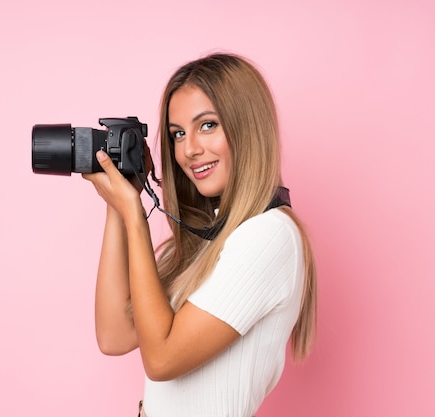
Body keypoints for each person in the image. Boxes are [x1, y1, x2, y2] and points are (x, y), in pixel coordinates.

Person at [83, 52, 317, 417]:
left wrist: (134, 216)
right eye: (178, 133)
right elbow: (114, 335)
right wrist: (118, 201)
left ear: (247, 127)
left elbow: (161, 360)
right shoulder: (212, 239)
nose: (189, 149)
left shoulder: (268, 235)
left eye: (207, 125)